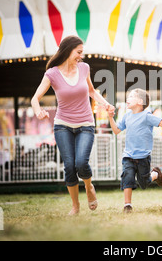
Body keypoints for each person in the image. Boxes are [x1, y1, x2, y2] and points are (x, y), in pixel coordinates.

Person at [31, 35, 114, 215]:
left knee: (81, 162)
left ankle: (89, 186)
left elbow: (92, 91)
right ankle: (75, 206)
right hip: (62, 125)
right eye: (78, 52)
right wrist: (38, 111)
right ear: (68, 50)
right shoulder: (52, 73)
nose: (81, 56)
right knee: (69, 166)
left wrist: (105, 103)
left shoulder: (84, 68)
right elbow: (35, 98)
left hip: (85, 123)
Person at [107, 88, 162, 213]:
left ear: (140, 101)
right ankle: (127, 205)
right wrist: (110, 118)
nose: (127, 99)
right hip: (128, 155)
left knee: (144, 183)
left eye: (131, 97)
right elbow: (117, 130)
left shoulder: (147, 116)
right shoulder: (126, 116)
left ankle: (155, 174)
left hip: (143, 157)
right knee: (127, 177)